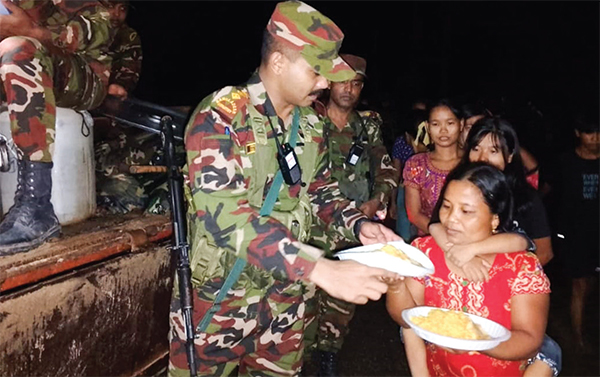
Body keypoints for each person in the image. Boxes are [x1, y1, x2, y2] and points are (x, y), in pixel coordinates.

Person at [167, 2, 402, 376]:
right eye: (316, 71)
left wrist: (358, 225)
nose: (325, 83)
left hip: (285, 305)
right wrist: (320, 269)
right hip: (220, 303)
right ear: (278, 62)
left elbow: (322, 192)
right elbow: (225, 217)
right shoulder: (222, 116)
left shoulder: (310, 124)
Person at [387, 162, 551, 377]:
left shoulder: (521, 268)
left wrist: (474, 341)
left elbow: (529, 338)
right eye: (446, 206)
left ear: (495, 219)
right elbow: (406, 319)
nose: (451, 218)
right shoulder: (425, 251)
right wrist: (395, 285)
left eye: (466, 211)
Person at [427, 117, 560, 376]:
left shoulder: (526, 198)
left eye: (493, 150)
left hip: (510, 297)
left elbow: (532, 246)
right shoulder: (461, 188)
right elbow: (435, 226)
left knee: (549, 353)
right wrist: (460, 257)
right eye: (476, 148)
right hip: (460, 288)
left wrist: (501, 283)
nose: (482, 157)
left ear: (510, 156)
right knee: (412, 326)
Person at [304, 53, 397, 376]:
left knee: (343, 304)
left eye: (356, 83)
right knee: (307, 293)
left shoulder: (367, 126)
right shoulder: (309, 120)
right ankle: (300, 356)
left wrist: (376, 201)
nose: (349, 89)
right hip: (313, 225)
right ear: (329, 82)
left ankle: (329, 354)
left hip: (353, 227)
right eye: (343, 80)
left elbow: (385, 169)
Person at [0, 0, 113, 255]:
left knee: (18, 48)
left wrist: (32, 31)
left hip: (84, 74)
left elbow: (96, 31)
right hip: (24, 63)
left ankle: (36, 206)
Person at [547, 111, 599, 350]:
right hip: (574, 234)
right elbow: (548, 192)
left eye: (598, 133)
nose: (595, 138)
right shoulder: (565, 162)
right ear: (578, 134)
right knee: (578, 285)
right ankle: (578, 337)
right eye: (589, 132)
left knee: (589, 284)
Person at [402, 99, 463, 236]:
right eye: (436, 124)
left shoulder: (471, 161)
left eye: (450, 123)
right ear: (428, 127)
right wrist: (443, 236)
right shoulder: (416, 164)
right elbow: (414, 214)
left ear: (461, 124)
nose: (443, 130)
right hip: (428, 241)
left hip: (469, 243)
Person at [389, 108, 428, 242]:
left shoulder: (432, 151)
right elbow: (396, 172)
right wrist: (393, 201)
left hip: (409, 191)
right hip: (406, 191)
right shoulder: (402, 143)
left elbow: (396, 172)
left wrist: (393, 201)